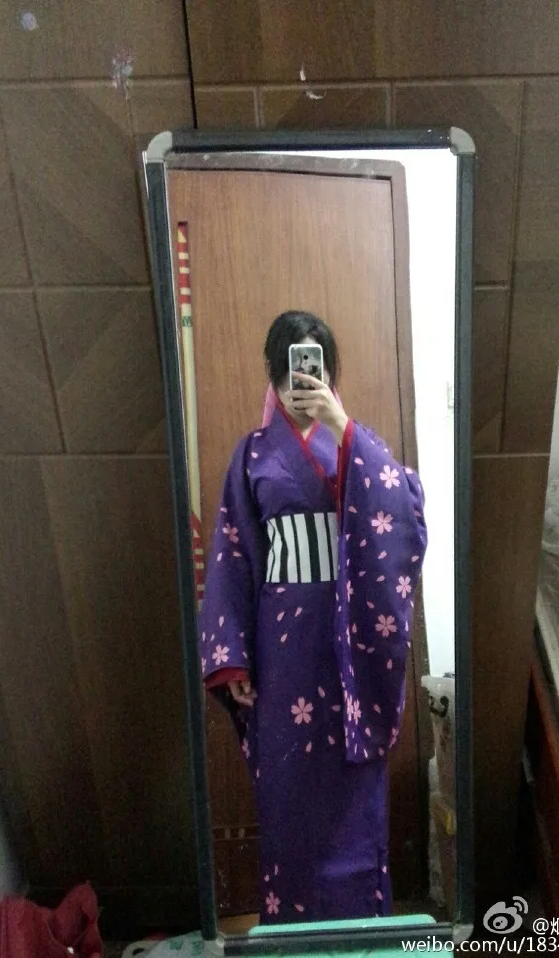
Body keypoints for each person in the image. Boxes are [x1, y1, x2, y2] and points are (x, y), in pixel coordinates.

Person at [198, 310, 427, 925]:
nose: (300, 386)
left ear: (328, 373)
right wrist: (233, 658)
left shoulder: (357, 444)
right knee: (287, 785)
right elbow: (231, 556)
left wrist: (341, 426)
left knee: (353, 781)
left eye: (313, 372)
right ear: (273, 376)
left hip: (350, 636)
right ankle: (292, 925)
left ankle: (360, 920)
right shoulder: (251, 456)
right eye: (289, 373)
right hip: (283, 645)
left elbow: (403, 508)